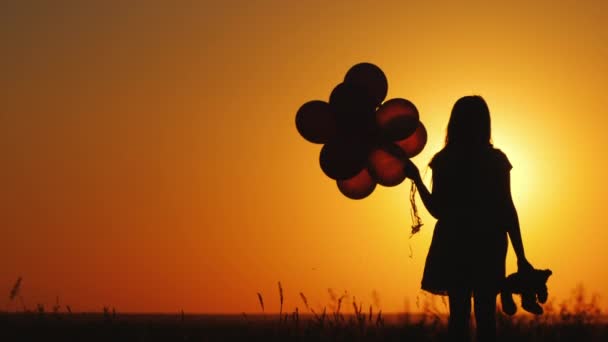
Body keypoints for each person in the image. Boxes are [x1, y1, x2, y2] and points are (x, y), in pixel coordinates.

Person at [404, 95, 533, 342]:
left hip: (453, 245)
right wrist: (520, 255)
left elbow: (438, 211)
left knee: (458, 320)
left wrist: (418, 181)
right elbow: (507, 209)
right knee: (486, 320)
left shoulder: (444, 161)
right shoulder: (495, 160)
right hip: (488, 244)